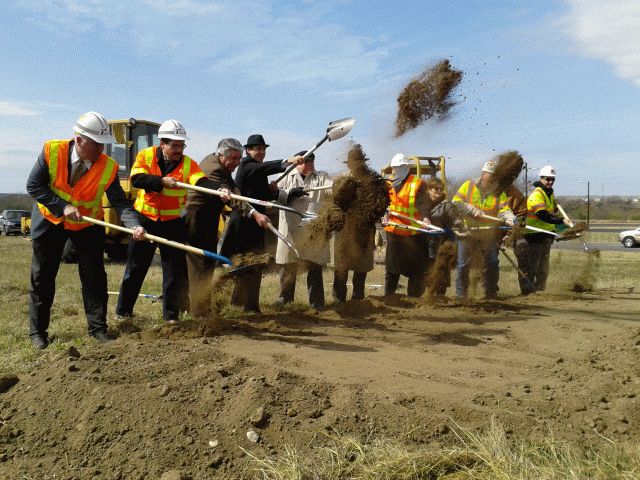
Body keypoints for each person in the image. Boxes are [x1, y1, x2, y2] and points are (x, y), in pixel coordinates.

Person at [26, 111, 146, 349]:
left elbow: (119, 201)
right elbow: (34, 186)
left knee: (94, 278)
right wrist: (62, 206)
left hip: (88, 225)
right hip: (51, 220)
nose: (101, 150)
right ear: (79, 139)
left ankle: (98, 329)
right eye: (96, 144)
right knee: (43, 277)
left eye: (104, 145)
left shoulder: (108, 167)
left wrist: (134, 224)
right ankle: (38, 333)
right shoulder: (52, 151)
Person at [115, 119, 221, 324]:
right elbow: (137, 179)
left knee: (174, 272)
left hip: (173, 223)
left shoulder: (188, 163)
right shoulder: (145, 156)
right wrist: (161, 181)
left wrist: (219, 189)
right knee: (135, 269)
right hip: (145, 219)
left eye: (181, 145)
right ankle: (123, 313)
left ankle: (171, 317)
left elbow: (201, 181)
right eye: (174, 145)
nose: (178, 149)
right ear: (162, 143)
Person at [185, 138, 269, 318]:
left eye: (239, 159)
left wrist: (235, 188)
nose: (237, 163)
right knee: (199, 266)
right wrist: (255, 214)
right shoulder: (214, 169)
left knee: (208, 263)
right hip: (197, 219)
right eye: (233, 159)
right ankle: (200, 313)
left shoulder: (216, 162)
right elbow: (229, 197)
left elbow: (231, 185)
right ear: (221, 155)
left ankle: (203, 308)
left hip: (208, 218)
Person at [219, 134, 304, 313]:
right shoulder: (246, 165)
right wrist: (288, 161)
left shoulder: (257, 170)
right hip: (241, 224)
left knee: (255, 264)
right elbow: (266, 167)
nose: (262, 152)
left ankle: (249, 306)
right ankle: (224, 302)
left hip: (256, 225)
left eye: (264, 149)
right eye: (258, 149)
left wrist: (288, 193)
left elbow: (263, 196)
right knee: (238, 264)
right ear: (247, 151)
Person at [332, 144, 389, 302]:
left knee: (360, 270)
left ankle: (358, 303)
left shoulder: (375, 181)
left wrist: (373, 216)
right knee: (341, 269)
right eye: (354, 161)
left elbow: (382, 203)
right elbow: (335, 203)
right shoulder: (341, 180)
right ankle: (339, 301)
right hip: (344, 231)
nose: (357, 164)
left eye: (360, 161)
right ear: (349, 164)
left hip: (364, 232)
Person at [275, 150, 331, 310]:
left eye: (311, 161)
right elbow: (274, 193)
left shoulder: (322, 176)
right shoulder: (286, 177)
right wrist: (289, 193)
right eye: (306, 162)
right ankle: (285, 301)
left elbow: (331, 190)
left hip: (313, 229)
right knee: (288, 266)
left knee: (314, 267)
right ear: (298, 163)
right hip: (290, 228)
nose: (309, 165)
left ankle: (317, 304)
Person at [452, 160, 515, 300]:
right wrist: (471, 209)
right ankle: (461, 295)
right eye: (490, 175)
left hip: (487, 233)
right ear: (483, 174)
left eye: (495, 176)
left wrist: (509, 217)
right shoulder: (468, 186)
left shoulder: (498, 192)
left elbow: (504, 208)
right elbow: (456, 202)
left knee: (492, 262)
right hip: (468, 231)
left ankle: (490, 293)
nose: (492, 178)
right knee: (463, 264)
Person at [383, 153, 432, 297]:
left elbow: (423, 204)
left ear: (405, 168)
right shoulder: (388, 184)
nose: (393, 172)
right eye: (393, 168)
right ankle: (389, 298)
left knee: (416, 270)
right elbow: (383, 204)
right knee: (392, 268)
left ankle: (414, 299)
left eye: (397, 168)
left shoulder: (417, 184)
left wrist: (425, 218)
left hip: (413, 234)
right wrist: (383, 215)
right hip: (394, 231)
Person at [524, 165, 570, 292]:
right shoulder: (537, 194)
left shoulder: (549, 193)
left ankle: (540, 291)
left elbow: (551, 210)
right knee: (534, 265)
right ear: (541, 178)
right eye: (547, 179)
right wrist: (561, 220)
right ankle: (529, 292)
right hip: (534, 234)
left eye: (552, 179)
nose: (550, 182)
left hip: (547, 234)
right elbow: (542, 215)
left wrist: (555, 208)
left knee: (544, 266)